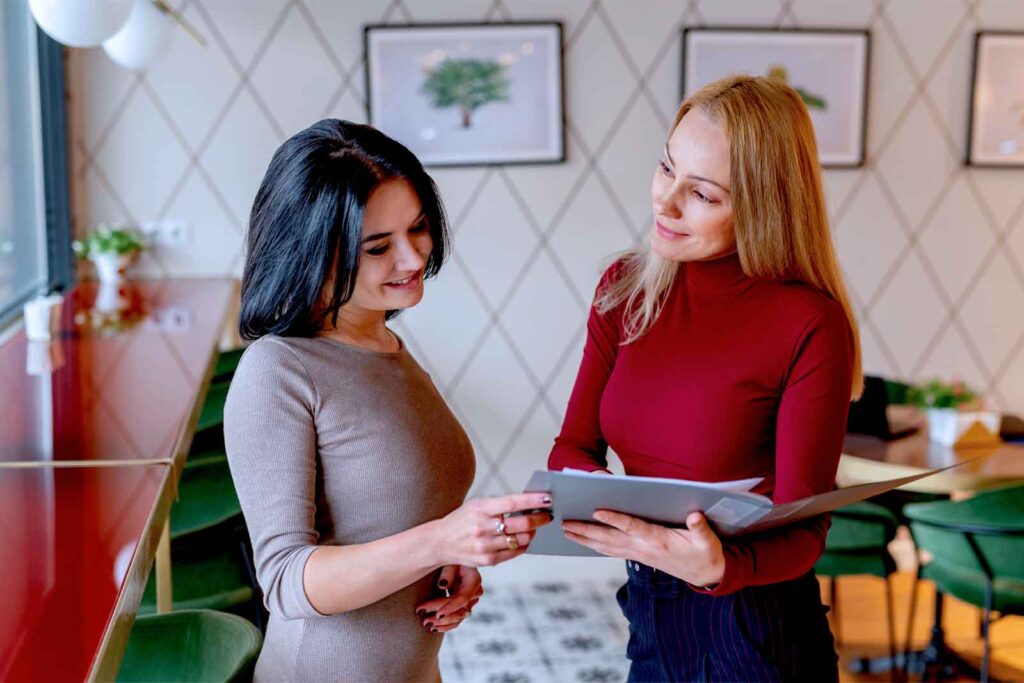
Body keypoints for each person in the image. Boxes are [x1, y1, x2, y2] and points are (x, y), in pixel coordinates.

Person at [549, 75, 863, 682]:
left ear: (763, 206)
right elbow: (573, 445)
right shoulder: (624, 289)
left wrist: (715, 564)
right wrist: (597, 502)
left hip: (757, 630)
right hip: (649, 609)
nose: (664, 203)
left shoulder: (809, 322)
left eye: (703, 194)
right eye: (666, 169)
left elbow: (805, 532)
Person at [224, 119, 553, 682]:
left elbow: (386, 514)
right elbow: (283, 581)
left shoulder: (382, 341)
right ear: (311, 254)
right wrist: (440, 539)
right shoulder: (276, 371)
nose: (411, 258)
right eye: (378, 247)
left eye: (418, 228)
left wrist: (452, 559)